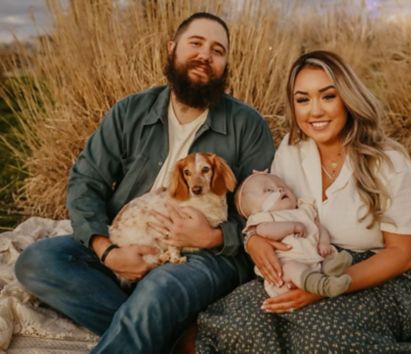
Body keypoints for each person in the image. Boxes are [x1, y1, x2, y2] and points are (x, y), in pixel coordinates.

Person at [14, 12, 275, 353]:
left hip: (204, 255)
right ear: (172, 49)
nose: (205, 56)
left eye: (217, 50)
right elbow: (86, 180)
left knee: (159, 288)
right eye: (195, 43)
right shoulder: (130, 111)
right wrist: (108, 251)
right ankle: (173, 337)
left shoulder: (248, 125)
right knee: (36, 262)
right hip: (125, 239)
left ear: (225, 64)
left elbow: (266, 209)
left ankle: (149, 319)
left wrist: (213, 236)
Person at [195, 51, 411, 353]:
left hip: (372, 275)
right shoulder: (292, 150)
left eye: (327, 96)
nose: (314, 111)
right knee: (238, 323)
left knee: (322, 339)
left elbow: (401, 255)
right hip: (304, 264)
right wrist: (254, 240)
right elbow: (272, 213)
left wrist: (323, 287)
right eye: (303, 99)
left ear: (348, 98)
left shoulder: (389, 161)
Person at [235, 171, 352, 297]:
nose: (280, 188)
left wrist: (324, 242)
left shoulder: (304, 210)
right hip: (286, 272)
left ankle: (331, 269)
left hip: (316, 259)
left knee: (329, 257)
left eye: (282, 185)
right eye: (269, 190)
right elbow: (265, 232)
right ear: (255, 211)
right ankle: (322, 285)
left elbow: (319, 227)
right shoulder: (265, 218)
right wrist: (292, 227)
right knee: (291, 267)